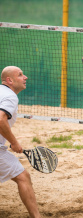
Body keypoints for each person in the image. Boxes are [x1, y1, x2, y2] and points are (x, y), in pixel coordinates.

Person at [0, 66, 41, 218]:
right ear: (9, 80)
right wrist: (14, 142)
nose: (25, 77)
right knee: (23, 176)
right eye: (20, 75)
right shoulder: (10, 96)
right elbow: (0, 119)